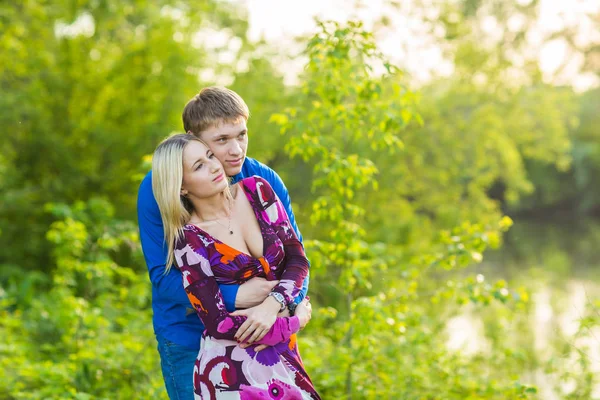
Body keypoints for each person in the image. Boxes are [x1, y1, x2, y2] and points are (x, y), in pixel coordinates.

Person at [137, 87, 310, 398]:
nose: (236, 150)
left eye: (241, 135)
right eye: (221, 141)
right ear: (194, 138)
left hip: (270, 329)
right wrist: (236, 296)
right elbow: (163, 276)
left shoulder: (262, 182)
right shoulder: (159, 190)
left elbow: (296, 260)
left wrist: (283, 309)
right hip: (190, 337)